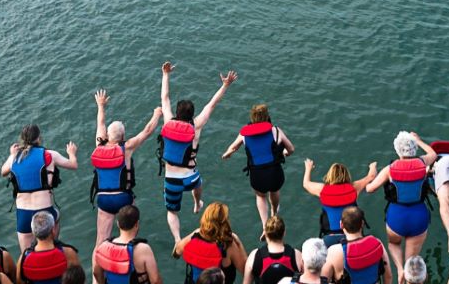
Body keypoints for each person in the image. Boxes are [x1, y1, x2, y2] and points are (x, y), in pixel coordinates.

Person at [159, 62, 237, 242]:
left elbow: (165, 98)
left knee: (172, 212)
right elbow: (212, 104)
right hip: (191, 178)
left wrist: (166, 74)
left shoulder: (168, 122)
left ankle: (177, 240)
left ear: (177, 113)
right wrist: (225, 85)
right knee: (198, 183)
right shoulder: (196, 125)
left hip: (171, 178)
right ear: (192, 114)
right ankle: (197, 203)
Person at [91, 89, 162, 248]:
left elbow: (100, 123)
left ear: (107, 135)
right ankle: (128, 254)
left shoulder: (98, 145)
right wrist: (157, 114)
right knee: (130, 236)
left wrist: (101, 105)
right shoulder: (127, 148)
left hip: (104, 199)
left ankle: (97, 264)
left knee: (101, 240)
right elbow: (147, 131)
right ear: (123, 137)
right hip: (123, 198)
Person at [365, 132, 438, 284]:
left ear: (398, 150)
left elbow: (370, 189)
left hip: (396, 217)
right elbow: (433, 154)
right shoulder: (422, 163)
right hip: (419, 217)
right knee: (411, 261)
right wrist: (419, 140)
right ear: (414, 149)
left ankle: (400, 270)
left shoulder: (390, 169)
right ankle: (408, 277)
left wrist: (370, 177)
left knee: (394, 243)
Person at [2, 124, 78, 251]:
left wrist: (11, 154)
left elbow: (3, 171)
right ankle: (54, 244)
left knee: (26, 255)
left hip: (24, 214)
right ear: (38, 138)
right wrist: (72, 153)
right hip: (45, 212)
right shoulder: (49, 154)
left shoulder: (14, 157)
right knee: (56, 216)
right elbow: (73, 165)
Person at [222, 103, 296, 228]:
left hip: (257, 175)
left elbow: (233, 147)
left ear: (252, 117)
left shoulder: (244, 134)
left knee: (260, 196)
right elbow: (291, 149)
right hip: (275, 173)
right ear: (267, 116)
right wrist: (284, 153)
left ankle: (264, 225)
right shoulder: (275, 131)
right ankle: (274, 213)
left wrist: (227, 153)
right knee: (274, 190)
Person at [174, 202, 247, 284]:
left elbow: (177, 251)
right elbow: (246, 270)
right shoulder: (228, 245)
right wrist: (239, 243)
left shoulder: (196, 235)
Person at [301, 160, 377, 247]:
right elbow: (371, 176)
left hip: (330, 237)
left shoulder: (322, 190)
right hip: (352, 235)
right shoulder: (354, 188)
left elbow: (306, 184)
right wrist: (372, 166)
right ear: (347, 175)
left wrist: (308, 168)